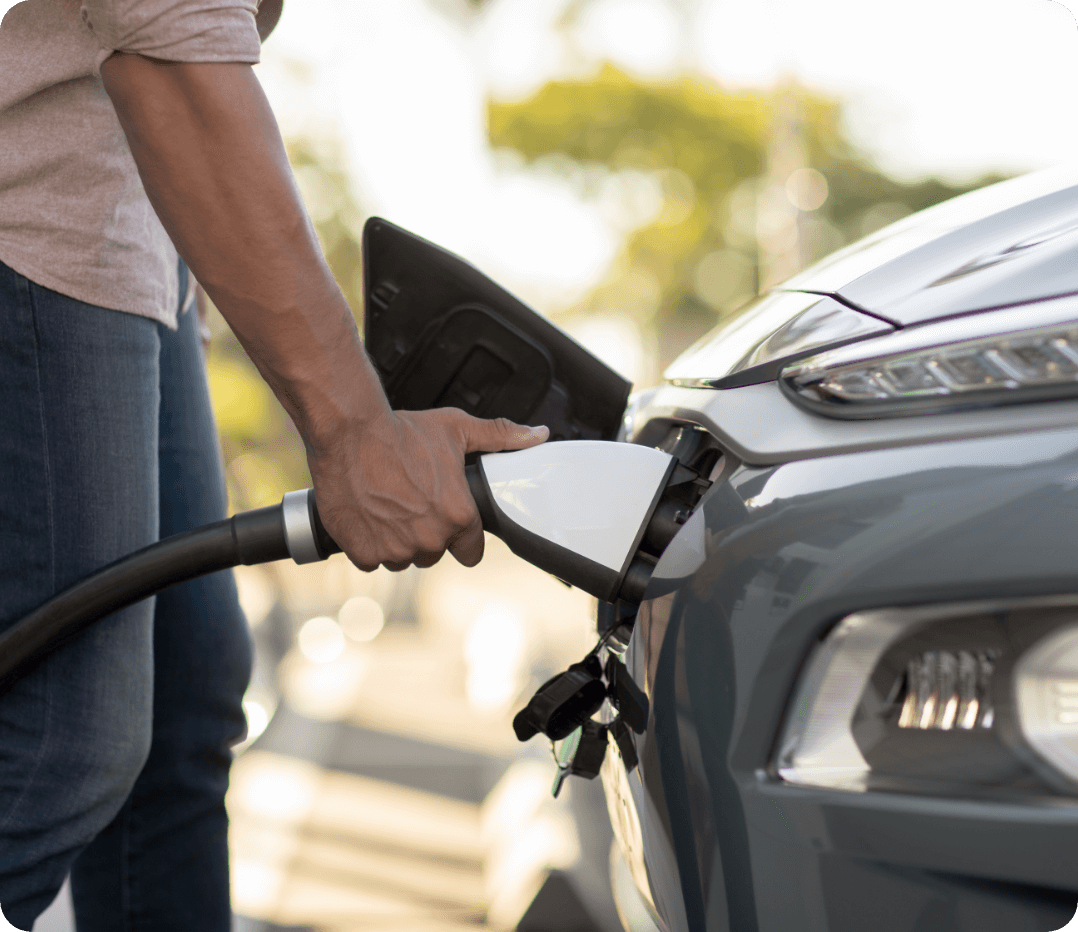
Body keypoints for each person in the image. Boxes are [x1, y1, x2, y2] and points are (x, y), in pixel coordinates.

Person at [0, 1, 548, 928]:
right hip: (31, 219)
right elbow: (165, 47)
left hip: (121, 233)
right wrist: (353, 432)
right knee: (65, 742)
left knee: (186, 704)